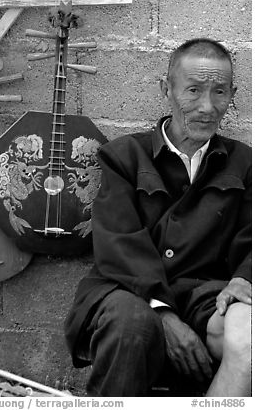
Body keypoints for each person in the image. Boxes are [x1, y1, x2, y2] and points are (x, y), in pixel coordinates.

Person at [64, 38, 252, 397]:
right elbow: (118, 243)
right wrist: (164, 315)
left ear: (233, 94)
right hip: (126, 289)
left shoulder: (245, 163)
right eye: (193, 90)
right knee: (131, 323)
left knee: (249, 331)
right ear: (166, 89)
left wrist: (245, 279)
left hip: (206, 295)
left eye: (220, 92)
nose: (207, 107)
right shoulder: (124, 156)